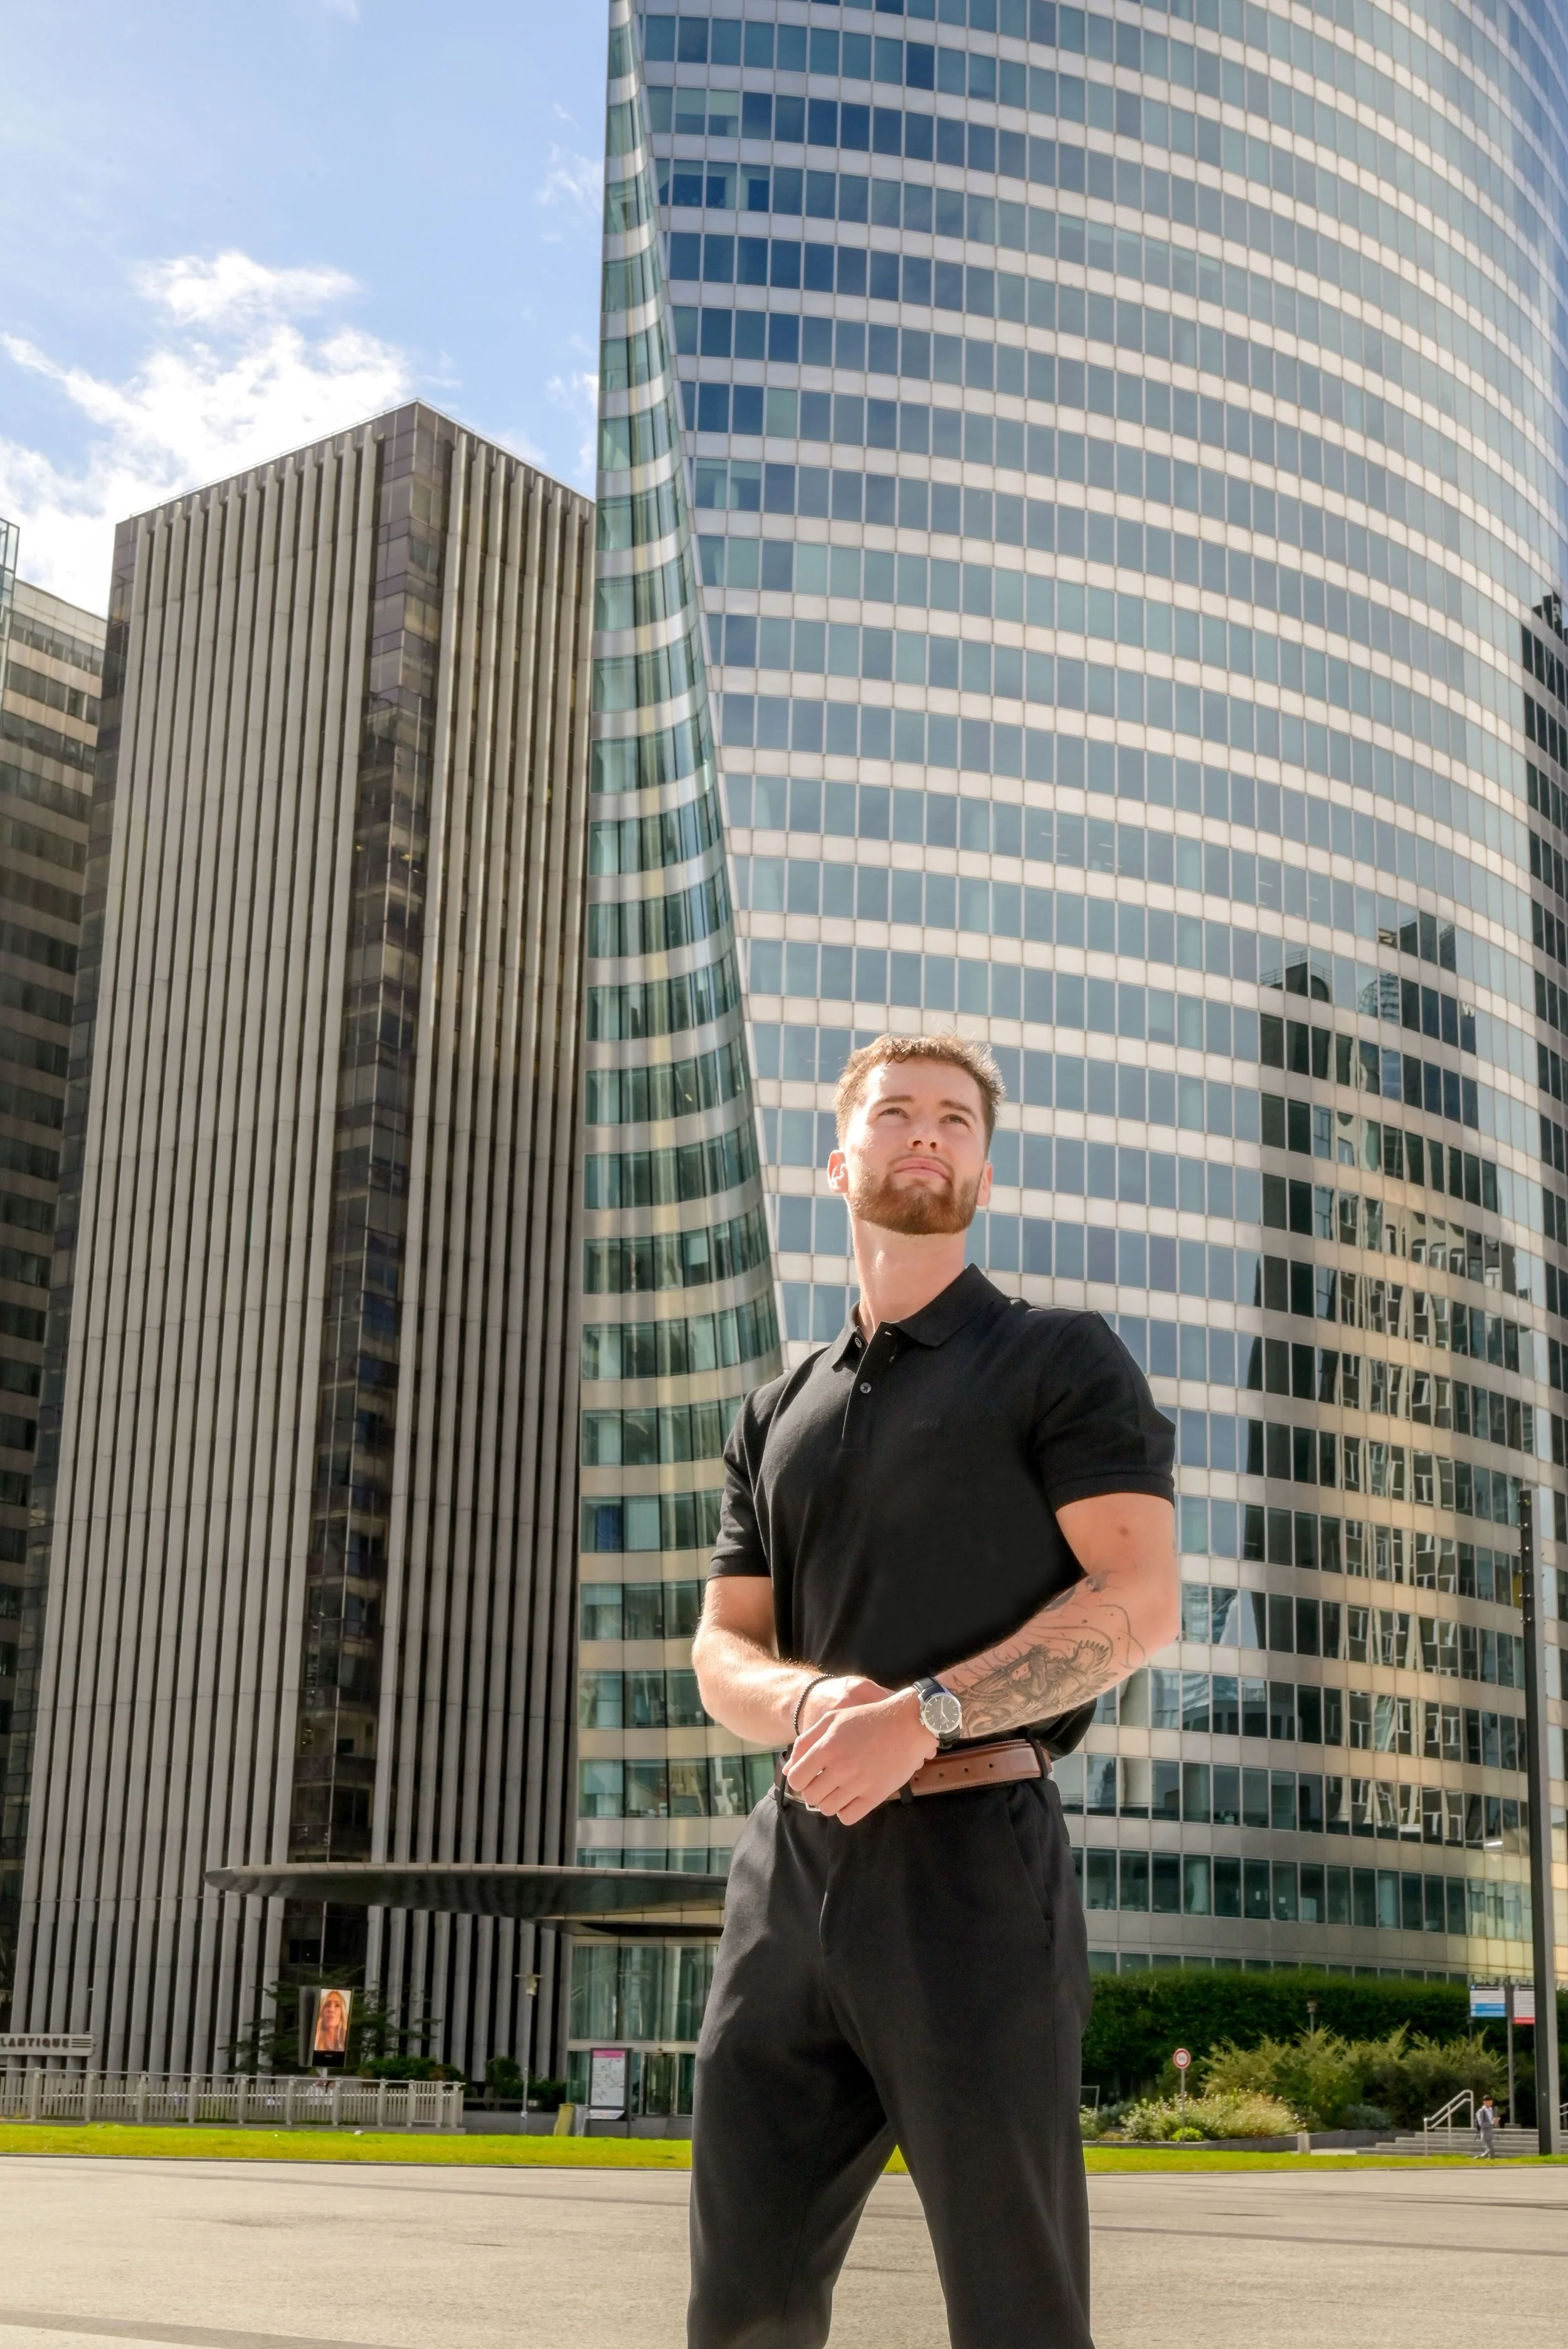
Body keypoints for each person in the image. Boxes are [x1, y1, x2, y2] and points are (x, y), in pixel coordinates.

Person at [688, 1035, 1178, 2349]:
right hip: (788, 1868)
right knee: (742, 2299)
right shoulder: (772, 1410)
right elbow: (720, 1648)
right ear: (837, 1159)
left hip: (971, 1864)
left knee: (1011, 2298)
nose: (926, 1133)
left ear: (980, 1164)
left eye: (954, 1120)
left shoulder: (1055, 1360)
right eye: (894, 1113)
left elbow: (1134, 1600)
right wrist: (804, 1707)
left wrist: (924, 1715)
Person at [1475, 2092, 1498, 2158]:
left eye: (1491, 2102)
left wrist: (1495, 2122)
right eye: (1489, 2102)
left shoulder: (1491, 2110)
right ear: (1484, 2102)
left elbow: (1492, 2124)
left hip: (1490, 2133)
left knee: (1490, 2151)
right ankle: (1480, 2158)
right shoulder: (1481, 2111)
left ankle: (1480, 2158)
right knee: (1491, 2150)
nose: (1490, 2104)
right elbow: (1481, 2124)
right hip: (1485, 2133)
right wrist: (1491, 2122)